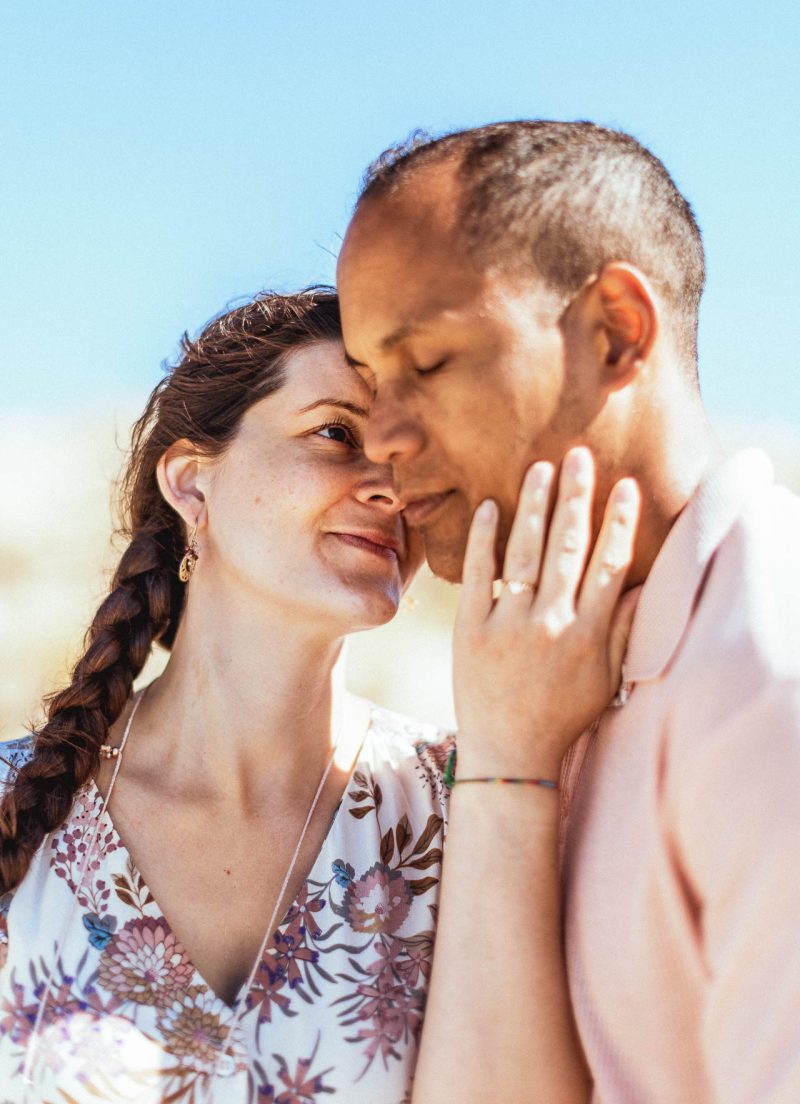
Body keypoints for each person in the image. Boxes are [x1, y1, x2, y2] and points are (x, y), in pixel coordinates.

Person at [0, 285, 640, 1103]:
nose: (388, 487)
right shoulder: (18, 807)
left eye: (414, 458)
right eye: (337, 432)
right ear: (194, 484)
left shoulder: (470, 808)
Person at [337, 120, 800, 1103]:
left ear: (615, 332)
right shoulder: (562, 677)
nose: (380, 437)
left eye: (425, 362)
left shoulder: (767, 667)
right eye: (368, 383)